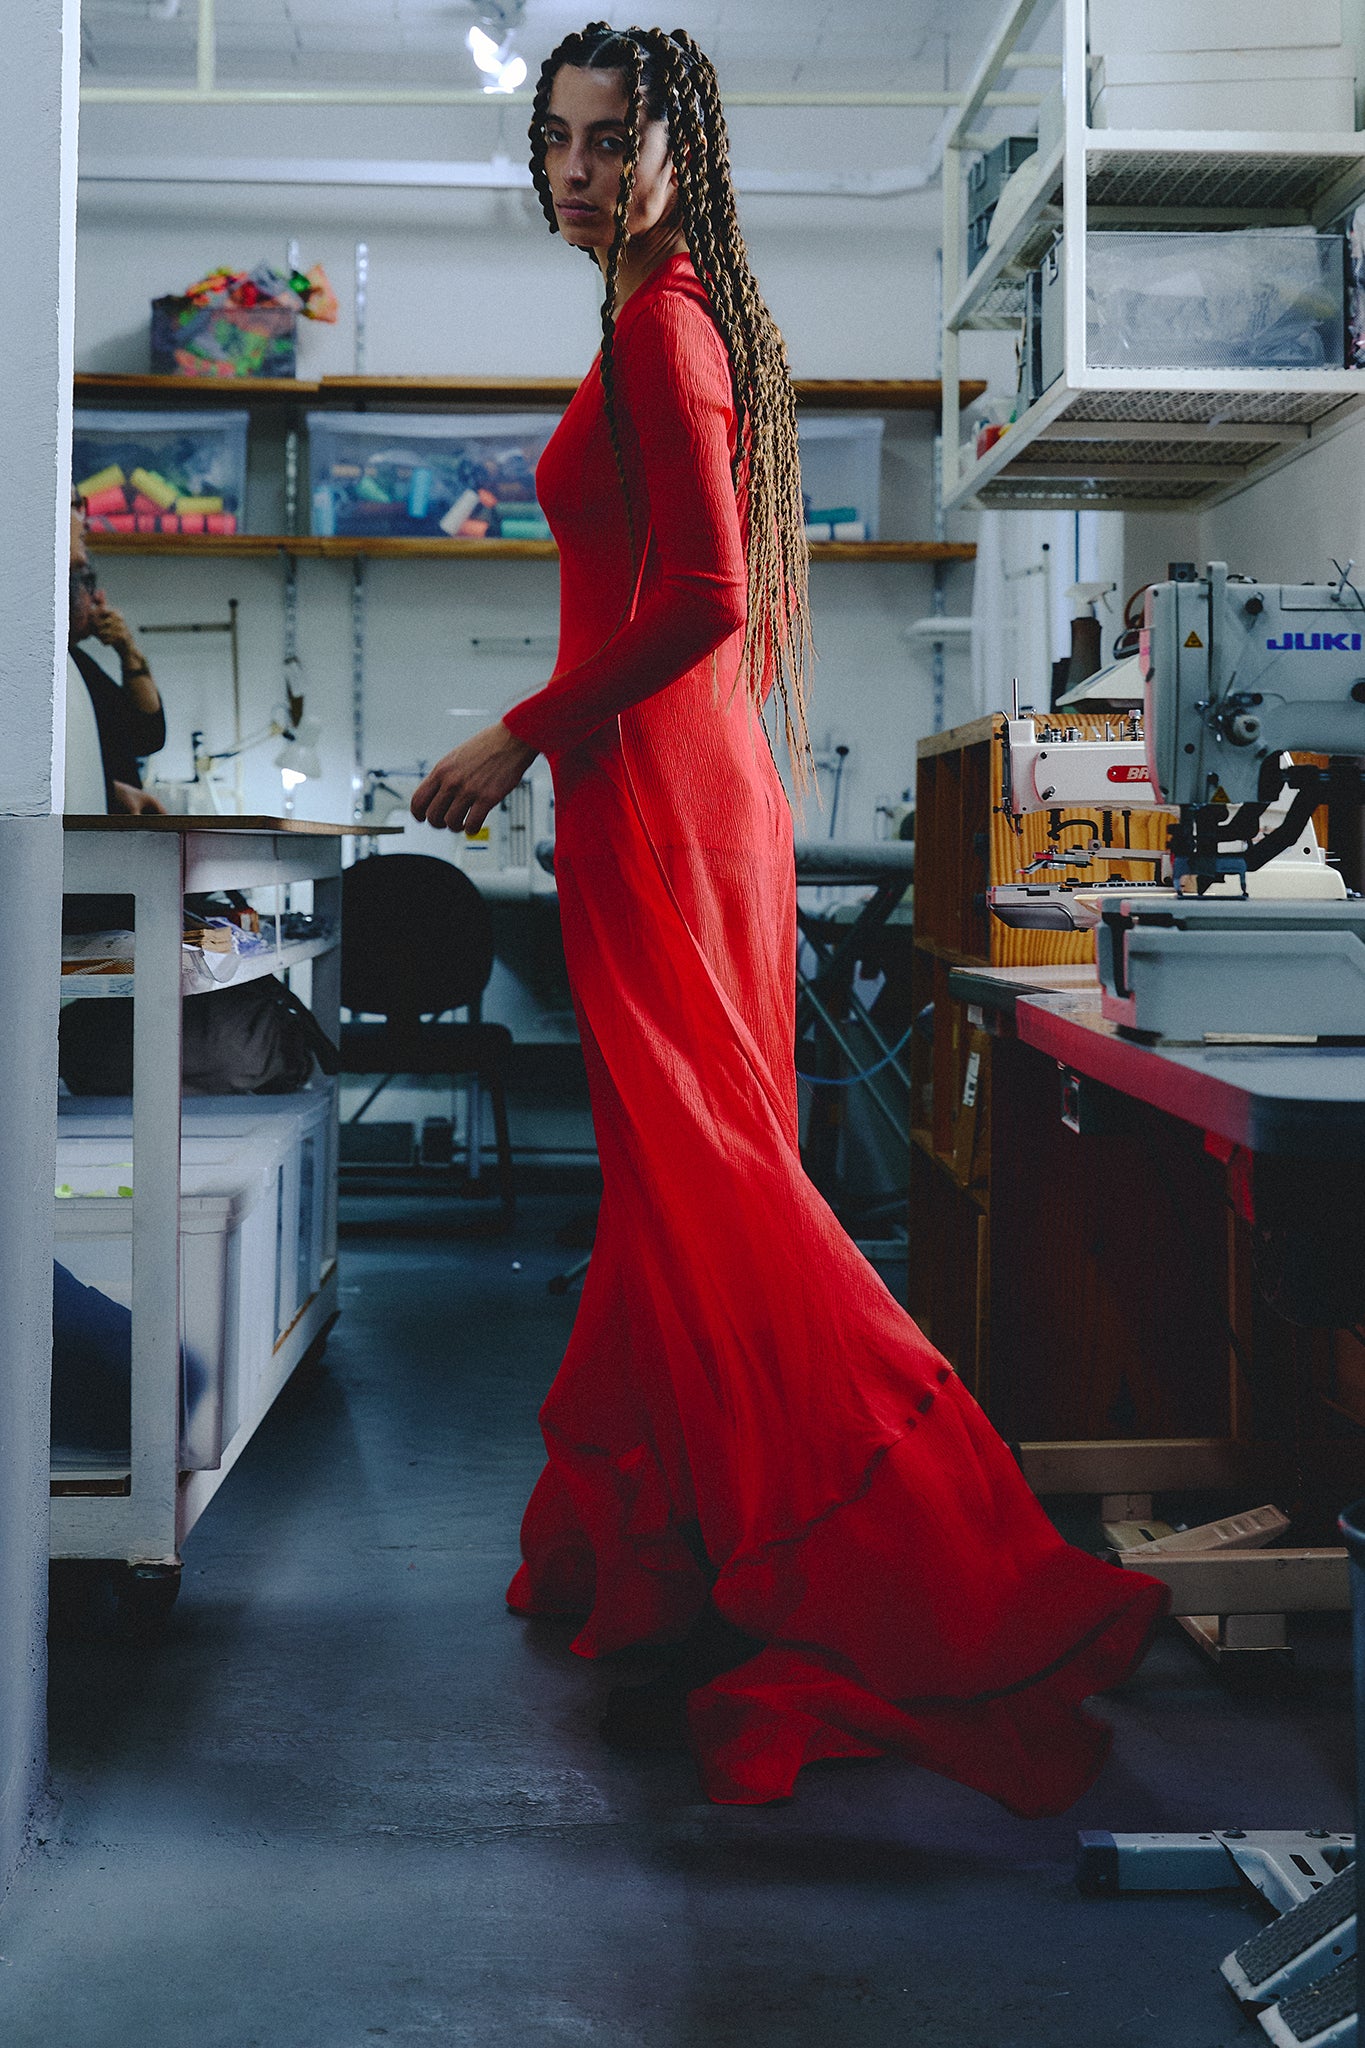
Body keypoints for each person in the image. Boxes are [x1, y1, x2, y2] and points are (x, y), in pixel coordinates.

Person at [411, 22, 1167, 1815]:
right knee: (683, 1196)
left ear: (682, 154)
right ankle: (676, 1553)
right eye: (562, 144)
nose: (581, 173)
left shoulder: (668, 328)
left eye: (615, 143)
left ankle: (941, 1556)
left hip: (666, 801)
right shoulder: (646, 311)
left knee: (724, 1199)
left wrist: (519, 728)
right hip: (659, 798)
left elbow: (699, 599)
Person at [68, 507, 167, 815]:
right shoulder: (58, 670)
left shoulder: (80, 665)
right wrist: (109, 791)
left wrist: (128, 650)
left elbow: (147, 734)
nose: (100, 597)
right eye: (88, 583)